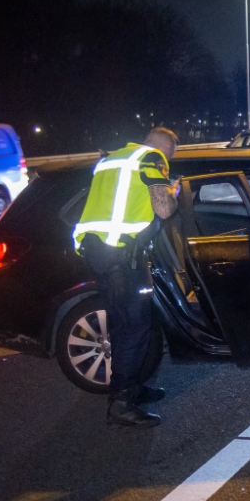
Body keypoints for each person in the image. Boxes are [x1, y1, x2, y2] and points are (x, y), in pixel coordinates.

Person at [72, 127, 179, 428]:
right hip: (121, 256)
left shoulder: (111, 160)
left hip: (99, 253)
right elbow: (163, 208)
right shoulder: (151, 157)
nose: (167, 161)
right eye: (170, 156)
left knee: (122, 326)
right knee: (134, 328)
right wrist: (173, 191)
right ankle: (121, 404)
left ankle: (130, 389)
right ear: (165, 147)